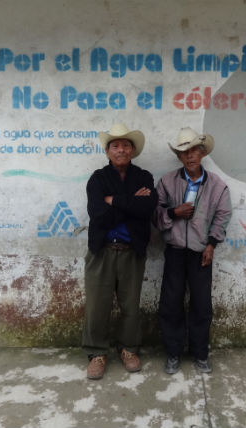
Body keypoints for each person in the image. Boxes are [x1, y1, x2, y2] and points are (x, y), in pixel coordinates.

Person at [153, 127, 232, 374]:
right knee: (171, 302)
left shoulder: (217, 186)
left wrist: (211, 244)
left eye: (194, 150)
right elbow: (156, 213)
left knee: (201, 304)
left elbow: (223, 215)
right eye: (184, 152)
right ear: (179, 157)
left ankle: (200, 354)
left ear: (203, 152)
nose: (190, 156)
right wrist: (174, 213)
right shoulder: (167, 181)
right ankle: (173, 352)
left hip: (201, 252)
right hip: (175, 250)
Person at [82, 123, 158, 380]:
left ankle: (129, 349)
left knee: (131, 306)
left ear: (133, 150)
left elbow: (147, 208)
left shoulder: (144, 177)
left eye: (126, 145)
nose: (121, 149)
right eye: (115, 145)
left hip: (131, 251)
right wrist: (131, 202)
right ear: (107, 152)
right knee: (97, 306)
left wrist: (113, 199)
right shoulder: (98, 179)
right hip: (101, 251)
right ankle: (97, 353)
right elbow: (98, 214)